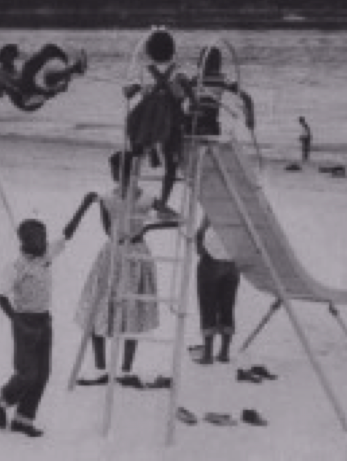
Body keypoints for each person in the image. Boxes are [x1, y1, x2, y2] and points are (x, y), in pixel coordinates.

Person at [0, 193, 95, 438]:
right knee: (27, 374)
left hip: (44, 321)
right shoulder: (16, 266)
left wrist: (84, 205)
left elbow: (67, 233)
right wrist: (17, 322)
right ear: (25, 241)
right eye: (39, 238)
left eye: (45, 237)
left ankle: (23, 420)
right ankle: (0, 399)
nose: (45, 241)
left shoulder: (46, 255)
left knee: (43, 374)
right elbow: (1, 298)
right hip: (24, 322)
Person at [73, 151, 176, 387]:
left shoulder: (141, 198)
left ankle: (119, 369)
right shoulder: (111, 198)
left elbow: (176, 217)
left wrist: (147, 227)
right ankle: (108, 368)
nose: (115, 175)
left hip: (129, 253)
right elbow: (109, 230)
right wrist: (144, 227)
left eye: (116, 170)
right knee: (103, 308)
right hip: (122, 252)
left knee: (125, 308)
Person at [124, 28, 194, 217]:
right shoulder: (178, 70)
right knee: (171, 165)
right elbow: (188, 91)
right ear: (172, 51)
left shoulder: (146, 71)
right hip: (170, 120)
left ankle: (146, 149)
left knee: (134, 128)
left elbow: (129, 92)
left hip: (148, 121)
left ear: (149, 52)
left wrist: (132, 88)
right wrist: (192, 101)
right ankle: (163, 202)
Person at [0, 44, 88, 113]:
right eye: (12, 54)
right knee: (29, 67)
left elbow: (28, 82)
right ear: (3, 57)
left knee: (48, 76)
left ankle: (76, 69)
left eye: (14, 54)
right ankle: (69, 69)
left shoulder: (12, 70)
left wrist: (53, 91)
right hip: (24, 101)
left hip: (33, 96)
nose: (15, 56)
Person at [194, 218, 239, 364]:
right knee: (227, 306)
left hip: (211, 259)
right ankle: (224, 352)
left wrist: (199, 243)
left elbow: (201, 234)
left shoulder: (214, 204)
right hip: (232, 262)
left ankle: (207, 354)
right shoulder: (242, 208)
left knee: (208, 305)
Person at [186, 45, 255, 138]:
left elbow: (180, 97)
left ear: (200, 63)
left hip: (192, 123)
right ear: (219, 64)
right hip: (210, 123)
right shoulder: (221, 80)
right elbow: (247, 97)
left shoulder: (194, 80)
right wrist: (250, 118)